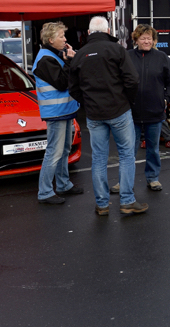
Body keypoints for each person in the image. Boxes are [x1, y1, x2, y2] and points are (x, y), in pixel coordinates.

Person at [69, 16, 147, 216]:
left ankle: (102, 204)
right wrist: (126, 101)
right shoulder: (117, 50)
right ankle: (127, 201)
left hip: (95, 114)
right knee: (127, 155)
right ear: (108, 30)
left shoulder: (80, 55)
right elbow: (132, 79)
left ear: (88, 33)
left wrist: (87, 103)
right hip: (119, 110)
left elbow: (73, 88)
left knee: (99, 159)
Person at [119, 24, 170, 192]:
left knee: (153, 148)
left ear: (154, 40)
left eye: (149, 38)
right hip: (131, 112)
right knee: (128, 150)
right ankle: (124, 181)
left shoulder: (161, 57)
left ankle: (153, 178)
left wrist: (167, 98)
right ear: (136, 39)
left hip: (155, 111)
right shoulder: (127, 56)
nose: (146, 41)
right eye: (143, 38)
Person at [33, 21, 83, 205]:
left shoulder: (54, 55)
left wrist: (70, 59)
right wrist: (69, 61)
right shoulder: (45, 59)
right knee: (54, 151)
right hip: (56, 112)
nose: (65, 39)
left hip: (65, 110)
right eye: (61, 36)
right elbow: (62, 82)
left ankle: (63, 184)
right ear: (51, 39)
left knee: (64, 150)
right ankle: (45, 191)